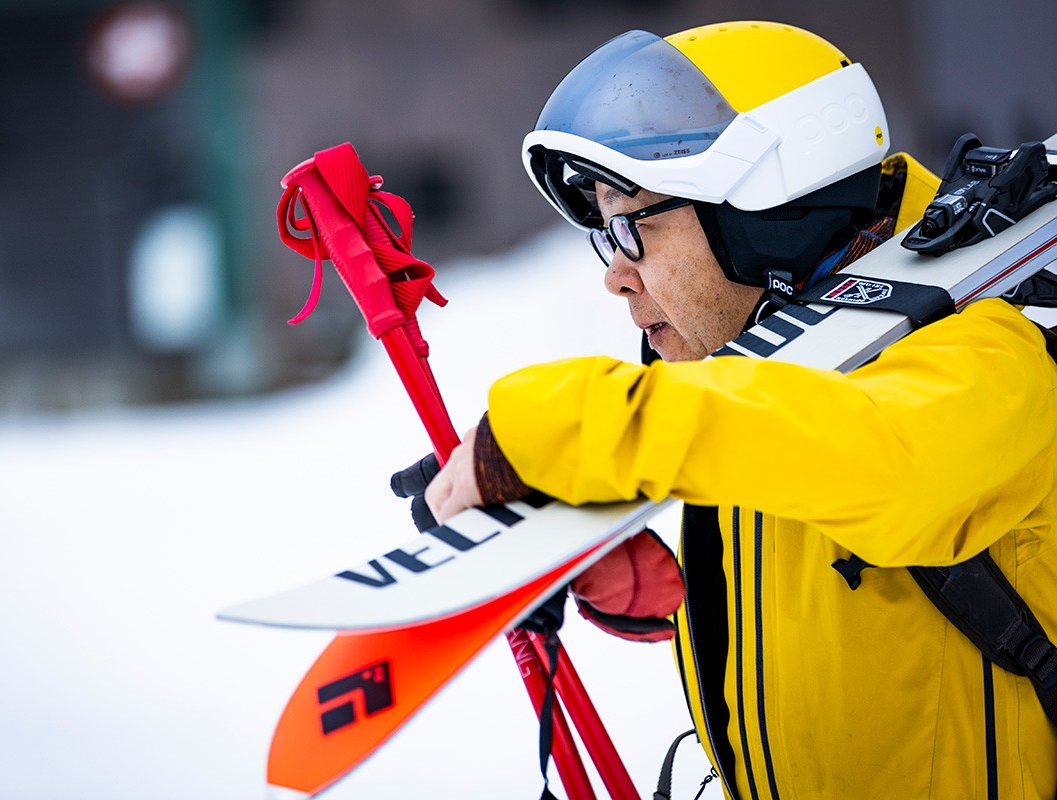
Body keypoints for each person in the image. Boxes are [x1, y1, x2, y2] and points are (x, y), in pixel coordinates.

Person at [416, 21, 1057, 799]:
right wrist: (671, 600)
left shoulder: (992, 352)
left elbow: (883, 460)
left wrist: (571, 429)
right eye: (602, 238)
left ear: (763, 215)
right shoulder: (762, 367)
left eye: (634, 226)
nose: (616, 277)